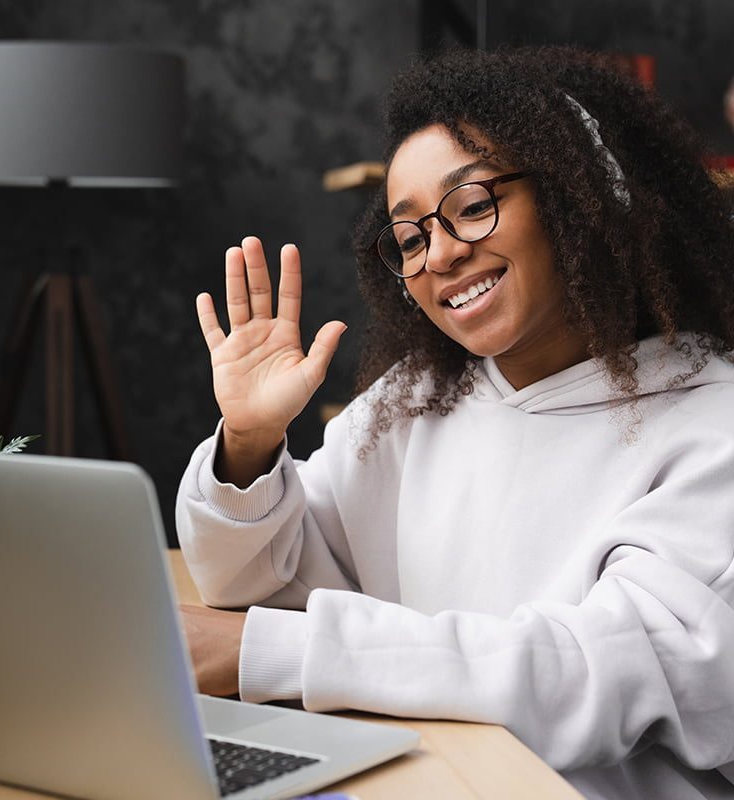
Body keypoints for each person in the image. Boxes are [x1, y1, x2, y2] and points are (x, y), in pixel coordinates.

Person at [175, 45, 734, 800]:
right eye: (409, 238)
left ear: (579, 199)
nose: (439, 253)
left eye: (472, 205)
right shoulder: (410, 404)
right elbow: (260, 587)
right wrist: (247, 444)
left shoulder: (711, 426)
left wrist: (263, 651)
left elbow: (589, 675)